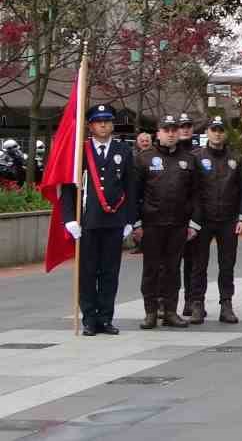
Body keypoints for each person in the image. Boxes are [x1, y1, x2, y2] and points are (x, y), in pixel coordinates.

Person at [62, 104, 140, 336]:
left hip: (114, 221)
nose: (103, 125)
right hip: (87, 221)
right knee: (87, 273)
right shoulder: (80, 151)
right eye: (98, 121)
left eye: (107, 121)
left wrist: (129, 219)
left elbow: (130, 187)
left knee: (109, 273)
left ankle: (105, 318)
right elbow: (69, 188)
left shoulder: (123, 150)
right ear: (90, 126)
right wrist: (69, 219)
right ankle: (89, 319)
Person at [133, 116, 199, 329]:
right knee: (151, 269)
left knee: (173, 269)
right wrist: (136, 223)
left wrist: (193, 222)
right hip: (152, 223)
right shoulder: (144, 158)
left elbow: (196, 194)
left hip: (178, 224)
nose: (171, 134)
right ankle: (151, 312)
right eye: (166, 130)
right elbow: (134, 194)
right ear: (158, 133)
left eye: (174, 130)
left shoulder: (188, 159)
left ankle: (170, 311)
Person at [183, 117, 242, 324]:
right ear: (207, 132)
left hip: (228, 219)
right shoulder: (196, 157)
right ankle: (197, 304)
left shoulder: (235, 158)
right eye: (214, 130)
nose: (217, 134)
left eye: (221, 130)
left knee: (227, 265)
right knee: (198, 265)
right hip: (202, 219)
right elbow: (191, 191)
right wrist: (192, 218)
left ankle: (226, 304)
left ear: (226, 133)